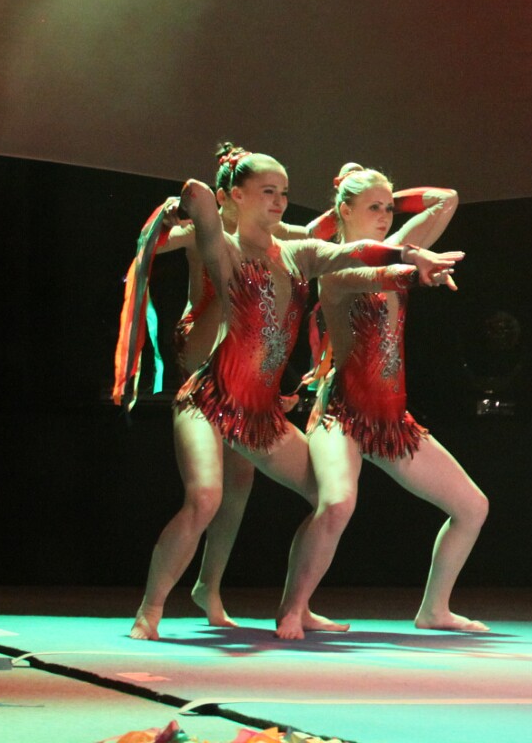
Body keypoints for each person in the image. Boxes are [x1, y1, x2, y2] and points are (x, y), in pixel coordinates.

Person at [129, 152, 459, 641]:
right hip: (210, 401)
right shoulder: (225, 251)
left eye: (284, 193)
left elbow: (354, 252)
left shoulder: (298, 252)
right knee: (205, 497)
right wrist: (184, 204)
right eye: (268, 192)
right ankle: (150, 610)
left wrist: (411, 256)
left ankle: (295, 605)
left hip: (259, 413)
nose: (280, 202)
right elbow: (198, 197)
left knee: (328, 499)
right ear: (235, 196)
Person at [276, 164, 488, 637]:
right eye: (374, 207)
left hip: (390, 419)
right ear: (344, 210)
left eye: (390, 209)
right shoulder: (334, 266)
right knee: (336, 504)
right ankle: (294, 608)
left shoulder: (395, 244)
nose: (385, 216)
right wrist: (416, 268)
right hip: (342, 415)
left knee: (472, 507)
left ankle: (434, 609)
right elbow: (380, 274)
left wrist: (390, 200)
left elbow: (446, 198)